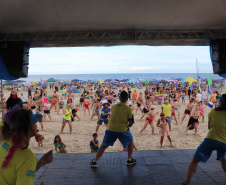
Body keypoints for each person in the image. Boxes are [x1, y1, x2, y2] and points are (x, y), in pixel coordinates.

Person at [0, 108, 53, 185]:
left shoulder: (4, 144)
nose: (36, 124)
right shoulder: (28, 158)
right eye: (35, 121)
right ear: (31, 126)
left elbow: (18, 170)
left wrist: (41, 162)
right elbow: (23, 164)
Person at [183, 94, 226, 185]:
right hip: (224, 142)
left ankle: (187, 182)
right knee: (224, 159)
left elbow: (209, 127)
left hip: (211, 139)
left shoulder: (212, 112)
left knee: (195, 160)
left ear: (221, 102)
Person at [90, 91, 136, 168]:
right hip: (122, 129)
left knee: (103, 146)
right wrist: (127, 126)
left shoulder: (113, 106)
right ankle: (129, 160)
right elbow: (130, 123)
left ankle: (94, 161)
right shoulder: (128, 109)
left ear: (119, 98)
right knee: (130, 142)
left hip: (110, 128)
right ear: (127, 99)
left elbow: (111, 116)